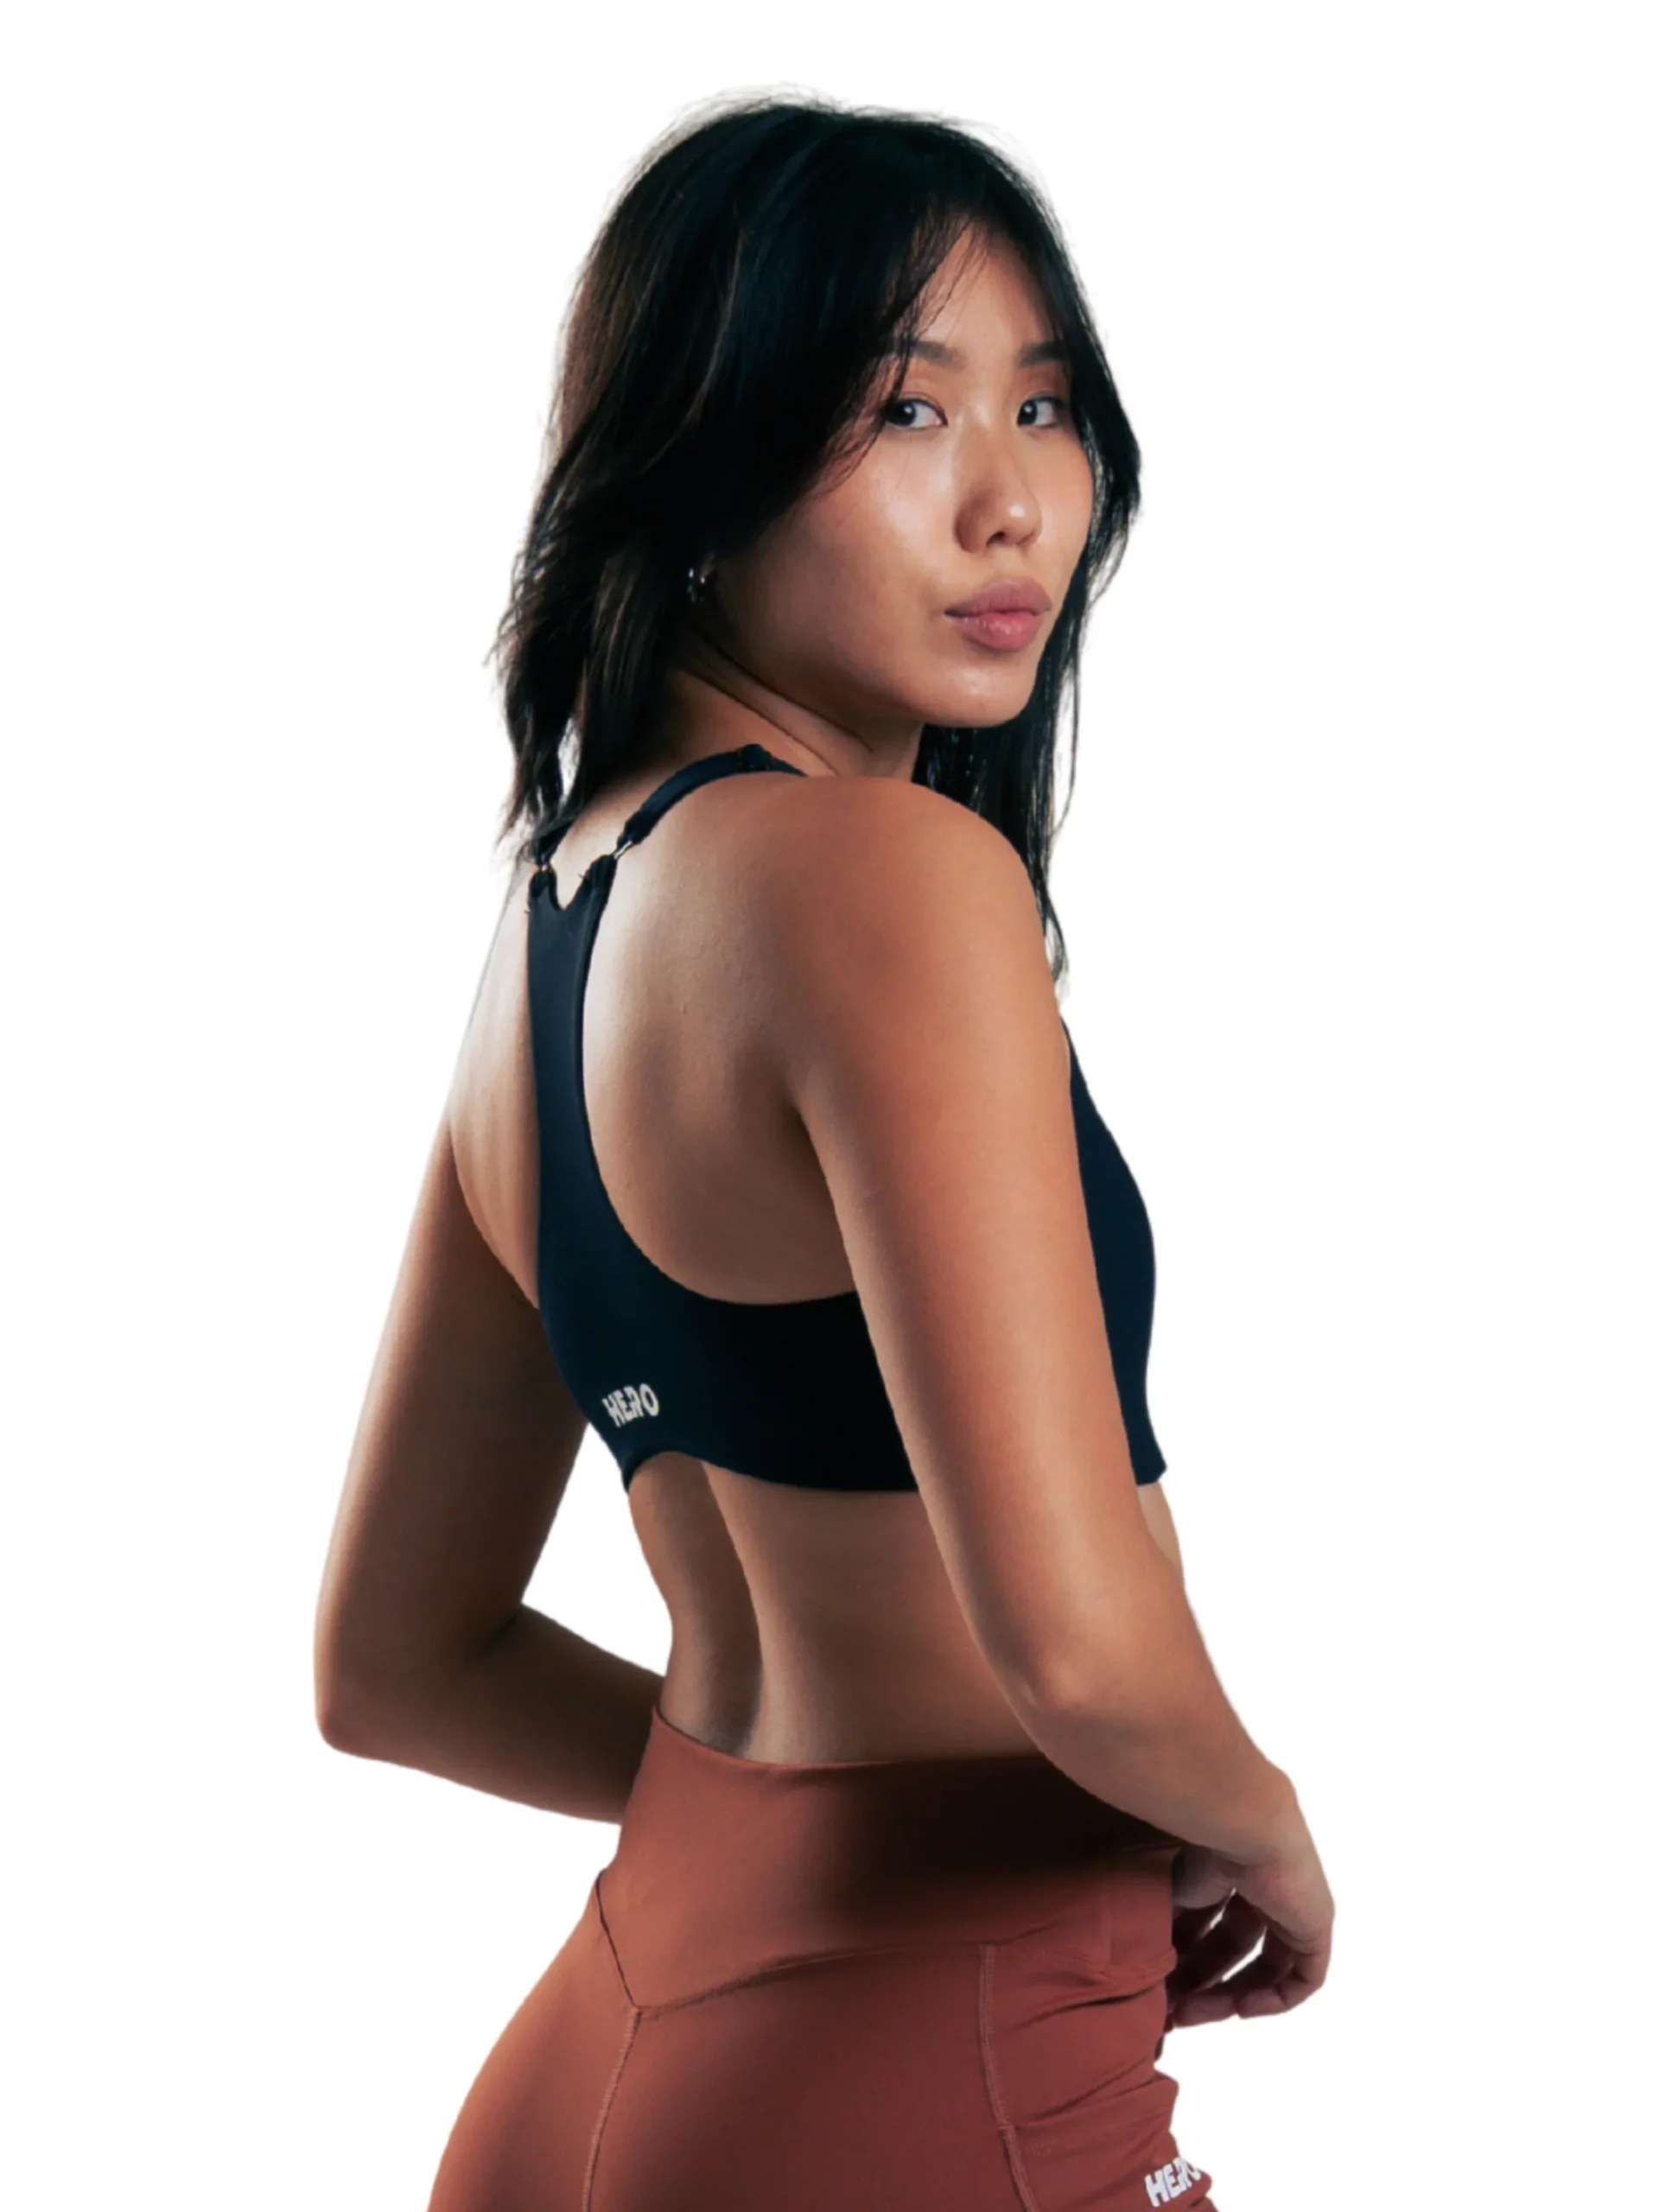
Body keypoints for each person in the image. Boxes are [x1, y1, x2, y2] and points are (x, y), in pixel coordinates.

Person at [314, 92, 1335, 2212]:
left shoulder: (552, 933)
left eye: (1045, 406)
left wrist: (774, 1831)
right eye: (904, 411)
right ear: (697, 462)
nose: (1012, 501)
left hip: (599, 2055)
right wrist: (1252, 1823)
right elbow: (1073, 1640)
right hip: (934, 2067)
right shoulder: (895, 877)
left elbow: (398, 1660)